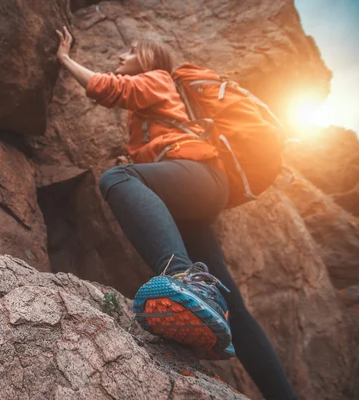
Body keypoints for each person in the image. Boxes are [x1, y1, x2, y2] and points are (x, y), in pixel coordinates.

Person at [55, 26, 297, 400]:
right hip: (192, 196)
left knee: (117, 178)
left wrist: (65, 59)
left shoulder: (156, 79)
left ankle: (183, 278)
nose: (122, 58)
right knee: (233, 308)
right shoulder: (153, 105)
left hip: (201, 178)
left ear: (150, 58)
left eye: (131, 51)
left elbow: (110, 88)